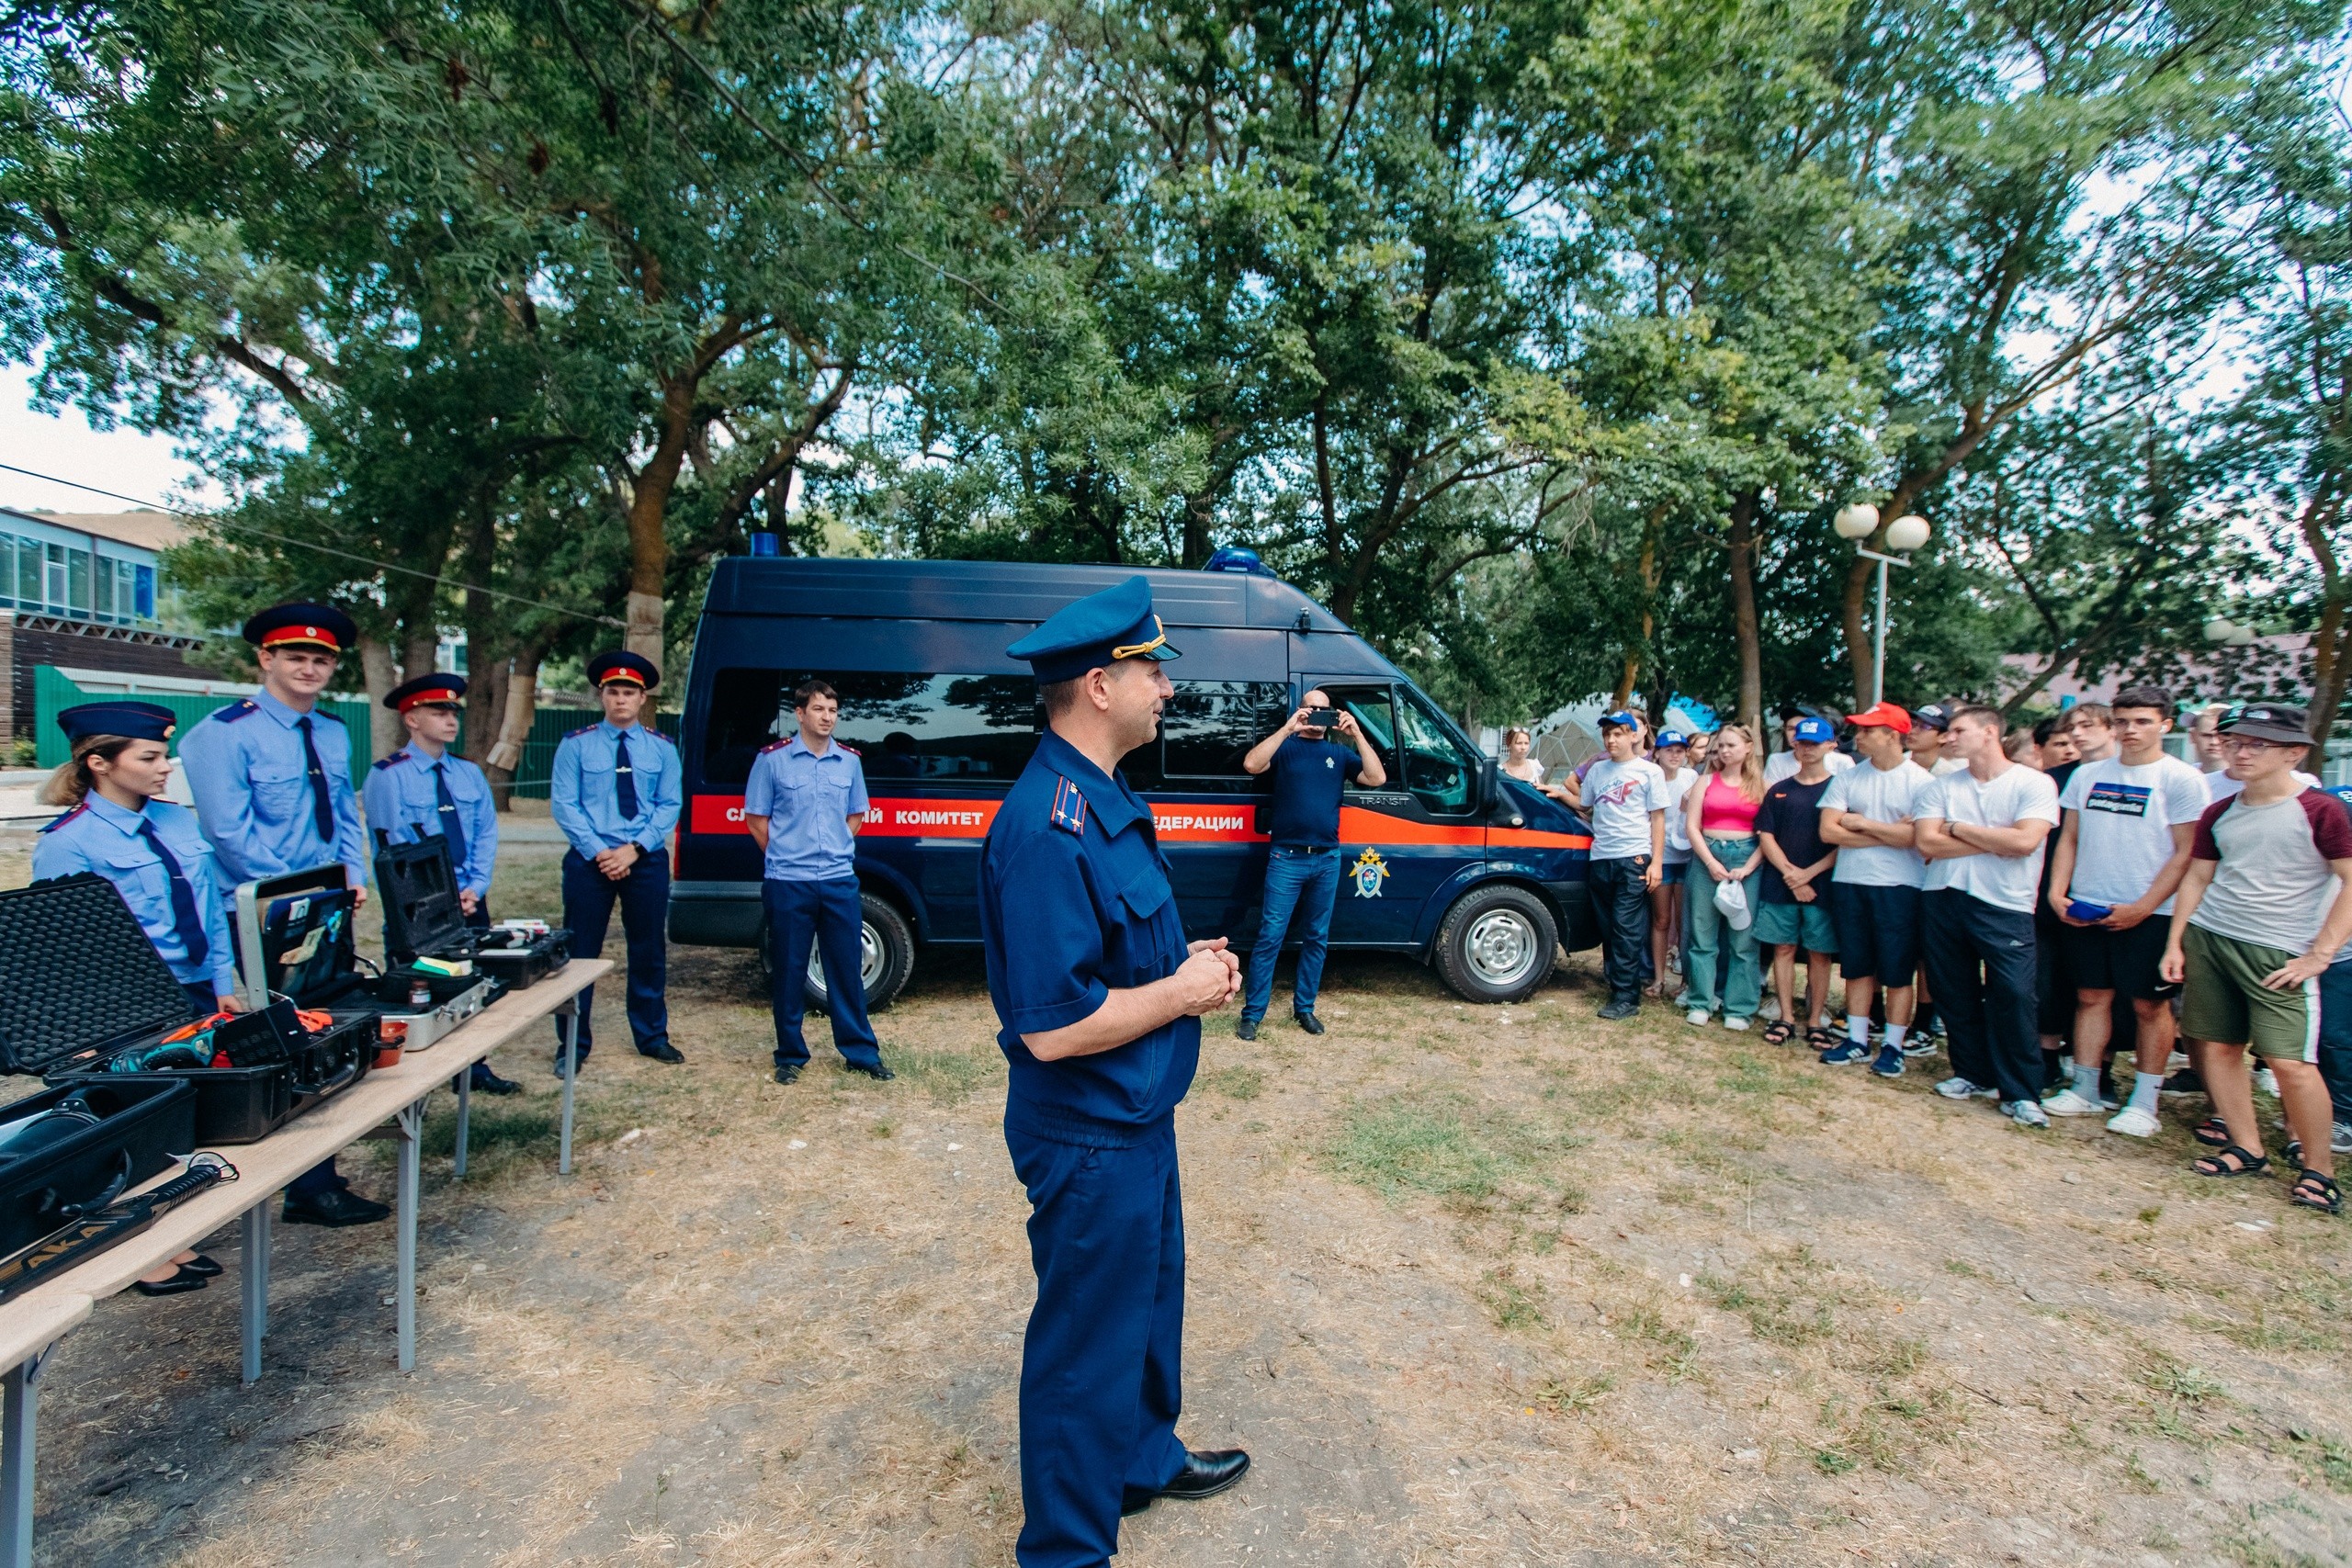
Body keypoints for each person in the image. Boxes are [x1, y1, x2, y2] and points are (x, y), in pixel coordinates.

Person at [978, 576, 1250, 1566]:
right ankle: (1064, 1551)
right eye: (1151, 671)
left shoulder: (1100, 796)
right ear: (1099, 685)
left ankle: (1138, 1461)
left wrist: (1184, 970)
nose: (1165, 690)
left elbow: (1114, 959)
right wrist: (1181, 995)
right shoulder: (1047, 825)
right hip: (1087, 1128)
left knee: (1147, 1305)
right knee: (1084, 1348)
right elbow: (1053, 1029)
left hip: (1134, 1114)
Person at [178, 602, 385, 1227]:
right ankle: (303, 1182)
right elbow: (227, 832)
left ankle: (318, 1174)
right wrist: (297, 892)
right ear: (265, 659)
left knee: (326, 1027)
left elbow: (345, 812)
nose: (310, 667)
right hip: (260, 909)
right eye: (296, 655)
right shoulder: (223, 732)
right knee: (284, 1036)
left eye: (321, 658)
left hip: (324, 904)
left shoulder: (331, 730)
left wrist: (353, 874)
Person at [34, 701, 242, 1296]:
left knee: (191, 1112)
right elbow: (59, 948)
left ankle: (176, 1230)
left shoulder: (176, 821)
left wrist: (223, 983)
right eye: (149, 756)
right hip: (129, 1005)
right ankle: (138, 1247)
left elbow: (210, 908)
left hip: (196, 991)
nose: (164, 767)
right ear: (99, 762)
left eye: (163, 755)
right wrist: (89, 1027)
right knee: (137, 1121)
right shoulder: (68, 843)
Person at [2161, 703, 2347, 1214]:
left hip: (2280, 951)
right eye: (2236, 741)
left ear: (2294, 753)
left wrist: (2319, 955)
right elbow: (2197, 877)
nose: (2240, 751)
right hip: (2213, 938)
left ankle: (2319, 1170)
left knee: (2292, 1064)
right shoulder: (2220, 811)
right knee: (2218, 1047)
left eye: (2257, 744)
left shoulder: (2322, 810)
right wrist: (2176, 942)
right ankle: (2247, 1147)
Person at [2040, 686, 2205, 1136]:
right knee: (2091, 997)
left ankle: (2144, 1102)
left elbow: (2186, 852)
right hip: (2087, 904)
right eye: (2123, 721)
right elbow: (2069, 837)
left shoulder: (2181, 778)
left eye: (2143, 721)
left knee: (2150, 1006)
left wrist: (2143, 907)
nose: (2131, 730)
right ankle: (2085, 1088)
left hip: (2150, 912)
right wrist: (2058, 892)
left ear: (2165, 725)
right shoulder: (2088, 774)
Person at [362, 672, 517, 1098]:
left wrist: (478, 886)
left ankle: (474, 1068)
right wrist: (442, 899)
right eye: (438, 711)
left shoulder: (468, 773)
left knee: (469, 983)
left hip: (469, 898)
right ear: (411, 719)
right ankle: (413, 1079)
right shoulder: (388, 776)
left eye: (453, 711)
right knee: (418, 988)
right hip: (421, 910)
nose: (451, 719)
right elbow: (393, 851)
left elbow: (485, 832)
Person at [1916, 705, 2063, 1125]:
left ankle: (2020, 1091)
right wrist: (1999, 838)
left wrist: (1957, 828)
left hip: (2005, 902)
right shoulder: (1942, 786)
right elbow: (1927, 843)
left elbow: (2025, 843)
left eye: (1957, 730)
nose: (1947, 737)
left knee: (2014, 994)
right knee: (1953, 990)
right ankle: (1970, 1072)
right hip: (1944, 895)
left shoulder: (2034, 784)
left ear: (1990, 733)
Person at [744, 678, 892, 1084]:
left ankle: (861, 1053)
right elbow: (757, 819)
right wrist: (789, 853)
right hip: (788, 881)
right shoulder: (772, 761)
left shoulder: (849, 762)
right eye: (818, 709)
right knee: (790, 969)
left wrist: (831, 851)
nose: (827, 717)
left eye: (832, 711)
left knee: (845, 968)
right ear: (799, 713)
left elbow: (856, 815)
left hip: (838, 880)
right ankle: (790, 1055)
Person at [548, 650, 683, 1074]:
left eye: (629, 692)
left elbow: (669, 805)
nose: (620, 699)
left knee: (647, 949)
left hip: (644, 860)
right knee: (579, 953)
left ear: (642, 699)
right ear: (601, 696)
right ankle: (572, 1045)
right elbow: (565, 805)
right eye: (613, 692)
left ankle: (652, 1036)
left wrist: (635, 849)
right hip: (592, 862)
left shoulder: (662, 749)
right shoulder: (576, 746)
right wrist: (601, 852)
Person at [1237, 690, 1387, 1040]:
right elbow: (1251, 764)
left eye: (1324, 710)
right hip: (1286, 858)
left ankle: (1304, 1009)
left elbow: (1376, 778)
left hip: (1326, 859)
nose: (1317, 715)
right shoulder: (1286, 747)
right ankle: (1252, 1014)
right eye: (1311, 708)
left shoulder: (1340, 752)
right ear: (1302, 710)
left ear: (1333, 715)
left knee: (1316, 938)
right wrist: (1287, 729)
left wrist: (1358, 735)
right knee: (1270, 937)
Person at [1817, 702, 1930, 1077]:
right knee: (1856, 966)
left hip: (1900, 886)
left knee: (1897, 969)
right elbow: (1829, 830)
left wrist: (1861, 823)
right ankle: (1857, 1039)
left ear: (1892, 736)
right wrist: (1889, 833)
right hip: (1851, 882)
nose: (1859, 737)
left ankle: (1894, 1045)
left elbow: (1918, 839)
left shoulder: (1921, 782)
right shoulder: (1849, 776)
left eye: (1868, 730)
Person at [1754, 716, 1840, 1050]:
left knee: (1820, 954)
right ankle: (1786, 1015)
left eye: (1814, 744)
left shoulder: (1839, 789)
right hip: (1781, 883)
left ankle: (1816, 1019)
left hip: (1822, 885)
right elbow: (1766, 835)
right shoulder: (1780, 789)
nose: (1806, 749)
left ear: (1830, 745)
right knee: (1783, 948)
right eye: (1802, 743)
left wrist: (1808, 874)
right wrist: (1791, 874)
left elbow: (1841, 843)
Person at [1581, 710, 1667, 1021]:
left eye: (1618, 733)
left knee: (1626, 928)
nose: (1611, 739)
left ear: (1634, 735)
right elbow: (1585, 806)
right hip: (1601, 857)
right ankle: (1615, 982)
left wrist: (1656, 862)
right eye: (1607, 734)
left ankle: (1627, 998)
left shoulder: (1648, 772)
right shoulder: (1597, 770)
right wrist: (1556, 794)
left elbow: (1658, 819)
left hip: (1633, 858)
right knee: (1608, 926)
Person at [1683, 722, 1766, 1031]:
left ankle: (1739, 1007)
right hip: (1708, 856)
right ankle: (1701, 1001)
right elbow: (1693, 826)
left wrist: (1749, 867)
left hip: (1747, 859)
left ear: (1747, 748)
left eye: (1731, 745)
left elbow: (1768, 834)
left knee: (1743, 939)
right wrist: (1709, 861)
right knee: (1702, 934)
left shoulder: (1761, 786)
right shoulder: (1705, 783)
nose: (1724, 751)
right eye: (1720, 746)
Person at [1651, 730, 1698, 991]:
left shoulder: (1692, 777)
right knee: (1661, 920)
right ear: (1657, 752)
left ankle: (1685, 981)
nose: (1674, 755)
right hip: (1661, 857)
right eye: (1669, 750)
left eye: (1679, 750)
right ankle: (1659, 977)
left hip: (1687, 856)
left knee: (1684, 922)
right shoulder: (1650, 777)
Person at [1766, 708, 1856, 785]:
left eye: (1802, 729)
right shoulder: (1776, 760)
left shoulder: (1842, 762)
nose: (1795, 734)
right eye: (1791, 729)